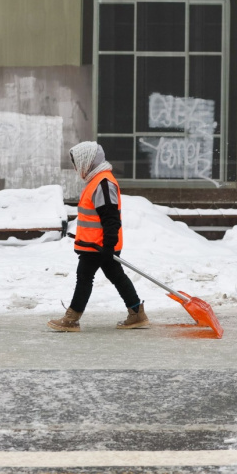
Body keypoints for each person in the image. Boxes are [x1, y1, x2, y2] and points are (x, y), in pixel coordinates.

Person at [48, 141, 147, 332]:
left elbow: (110, 218)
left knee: (84, 277)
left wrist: (109, 245)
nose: (76, 168)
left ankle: (71, 319)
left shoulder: (103, 184)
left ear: (88, 161)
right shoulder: (97, 181)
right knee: (115, 276)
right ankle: (136, 313)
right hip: (94, 244)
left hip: (99, 245)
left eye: (77, 163)